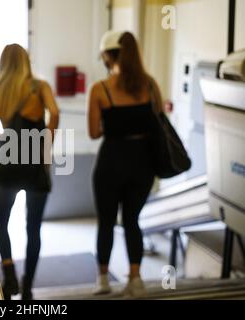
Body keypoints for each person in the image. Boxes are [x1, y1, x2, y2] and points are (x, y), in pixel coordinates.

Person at [0, 44, 59, 300]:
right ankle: (27, 286)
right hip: (35, 164)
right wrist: (47, 142)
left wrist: (7, 134)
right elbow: (55, 113)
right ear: (26, 60)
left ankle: (9, 274)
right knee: (33, 228)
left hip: (6, 163)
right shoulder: (39, 87)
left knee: (0, 222)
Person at [87, 31, 163, 297]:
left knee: (105, 222)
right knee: (132, 220)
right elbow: (160, 121)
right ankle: (135, 279)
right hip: (143, 163)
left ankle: (103, 279)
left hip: (111, 163)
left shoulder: (101, 89)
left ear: (108, 56)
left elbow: (94, 132)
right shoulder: (150, 85)